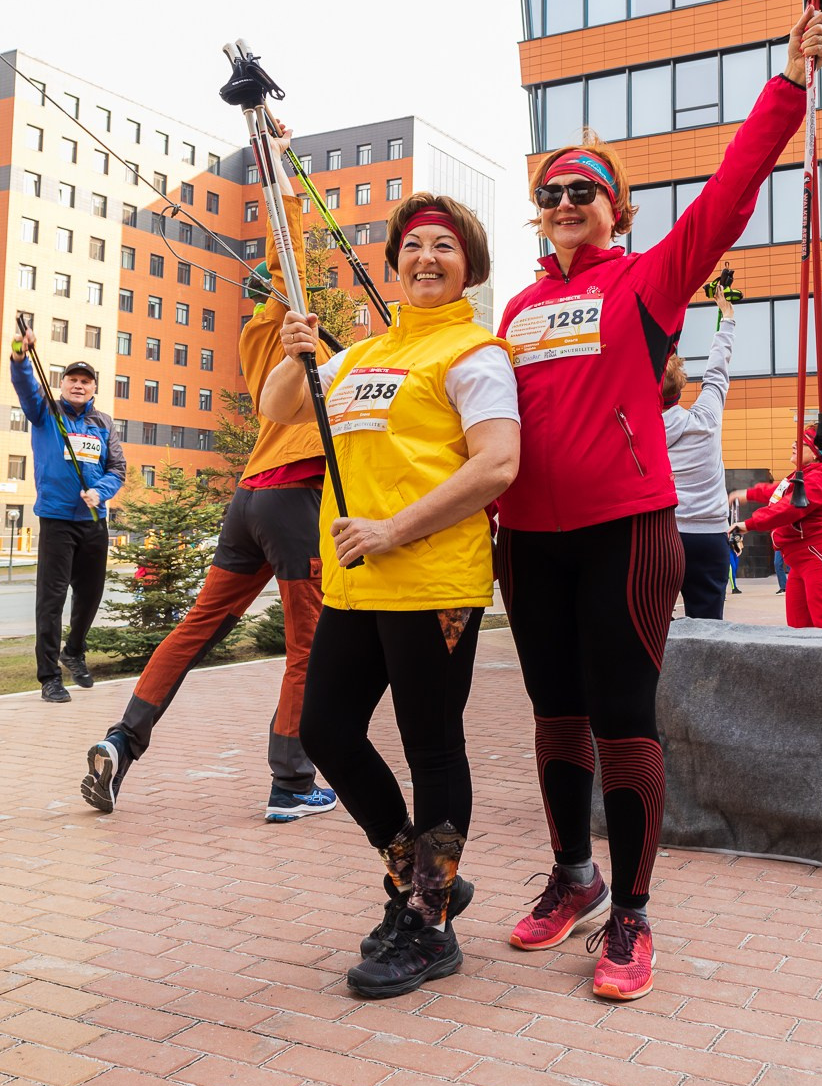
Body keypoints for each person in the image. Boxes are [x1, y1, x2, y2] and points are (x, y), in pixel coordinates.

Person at [495, 7, 822, 1001]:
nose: (565, 202)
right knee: (554, 720)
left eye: (584, 192)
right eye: (552, 192)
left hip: (626, 535)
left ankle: (632, 916)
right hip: (528, 541)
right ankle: (573, 877)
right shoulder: (512, 311)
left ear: (616, 213)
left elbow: (729, 200)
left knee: (622, 721)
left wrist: (787, 84)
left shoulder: (646, 281)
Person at [262, 192, 520, 1000]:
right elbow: (278, 413)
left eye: (444, 246)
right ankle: (420, 872)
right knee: (327, 731)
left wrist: (393, 529)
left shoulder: (475, 354)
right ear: (395, 265)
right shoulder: (363, 355)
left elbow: (497, 466)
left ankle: (431, 922)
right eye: (412, 247)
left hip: (431, 579)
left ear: (469, 266)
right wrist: (290, 348)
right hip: (357, 581)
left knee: (431, 748)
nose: (426, 259)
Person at [81, 164, 338, 821]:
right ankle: (292, 781)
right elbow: (291, 253)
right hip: (294, 499)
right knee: (308, 645)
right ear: (274, 294)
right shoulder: (284, 322)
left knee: (197, 626)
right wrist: (284, 176)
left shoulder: (253, 335)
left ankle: (122, 740)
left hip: (248, 497)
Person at [11, 339, 126, 703]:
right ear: (62, 385)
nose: (79, 385)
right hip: (57, 519)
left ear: (94, 387)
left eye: (85, 381)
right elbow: (26, 385)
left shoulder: (103, 423)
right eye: (72, 380)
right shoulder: (46, 412)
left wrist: (101, 492)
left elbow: (118, 468)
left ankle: (73, 651)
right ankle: (49, 677)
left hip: (94, 519)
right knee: (52, 598)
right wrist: (19, 353)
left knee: (90, 594)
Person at [660, 283, 735, 619]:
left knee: (654, 623)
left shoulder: (638, 433)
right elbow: (717, 371)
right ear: (682, 386)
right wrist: (727, 318)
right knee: (709, 626)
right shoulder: (705, 418)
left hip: (661, 537)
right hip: (708, 537)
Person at [730, 423, 822, 631]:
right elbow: (778, 491)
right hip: (802, 558)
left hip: (820, 556)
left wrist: (748, 524)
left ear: (815, 453)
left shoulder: (821, 476)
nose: (794, 444)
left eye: (802, 442)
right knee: (799, 626)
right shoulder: (803, 476)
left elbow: (791, 507)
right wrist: (748, 494)